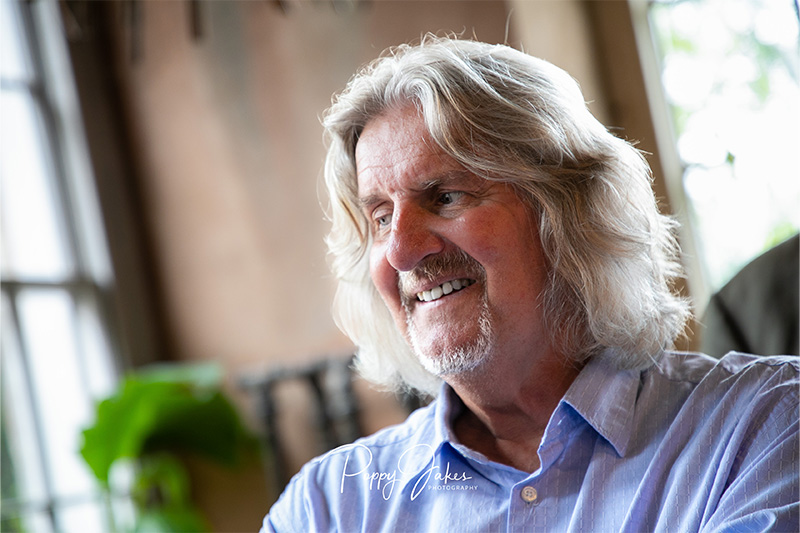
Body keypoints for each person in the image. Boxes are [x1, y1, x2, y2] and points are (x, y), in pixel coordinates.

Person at [261, 36, 798, 532]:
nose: (400, 251)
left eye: (446, 197)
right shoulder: (327, 506)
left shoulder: (763, 424)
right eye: (380, 218)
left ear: (571, 213)